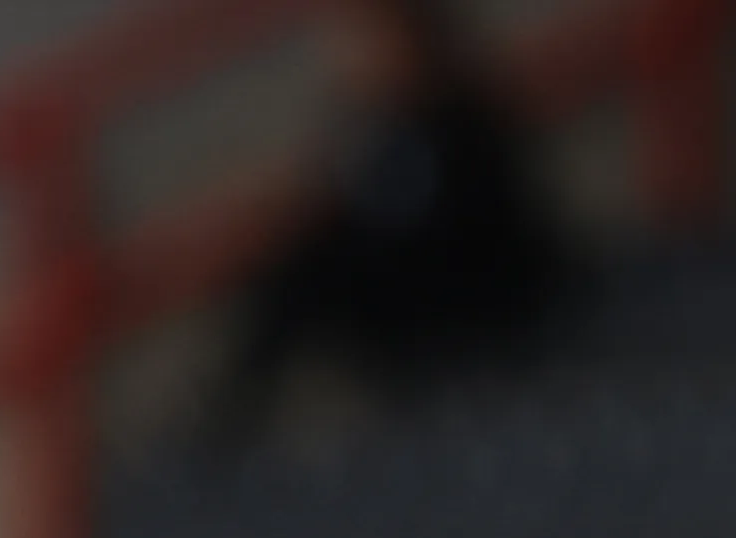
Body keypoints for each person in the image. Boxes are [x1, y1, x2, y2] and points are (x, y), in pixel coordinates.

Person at [201, 0, 572, 452]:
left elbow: (462, 223)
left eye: (364, 44)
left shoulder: (456, 121)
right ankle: (226, 419)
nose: (348, 60)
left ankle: (227, 421)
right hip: (408, 295)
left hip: (474, 294)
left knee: (317, 264)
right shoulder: (364, 125)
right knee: (300, 263)